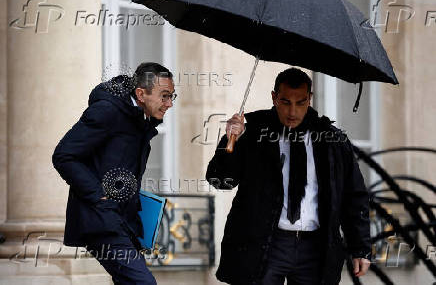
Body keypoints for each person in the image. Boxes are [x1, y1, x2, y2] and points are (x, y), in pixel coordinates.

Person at [206, 68, 371, 285]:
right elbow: (219, 180)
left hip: (315, 248)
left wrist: (361, 247)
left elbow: (354, 194)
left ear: (310, 99)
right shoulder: (253, 134)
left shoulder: (331, 140)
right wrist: (231, 142)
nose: (292, 111)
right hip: (266, 244)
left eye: (300, 102)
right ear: (274, 98)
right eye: (285, 102)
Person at [52, 62, 176, 285]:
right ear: (140, 93)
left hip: (124, 219)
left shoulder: (139, 119)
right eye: (164, 96)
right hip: (101, 218)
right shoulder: (107, 111)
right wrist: (98, 194)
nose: (169, 104)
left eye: (172, 97)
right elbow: (64, 155)